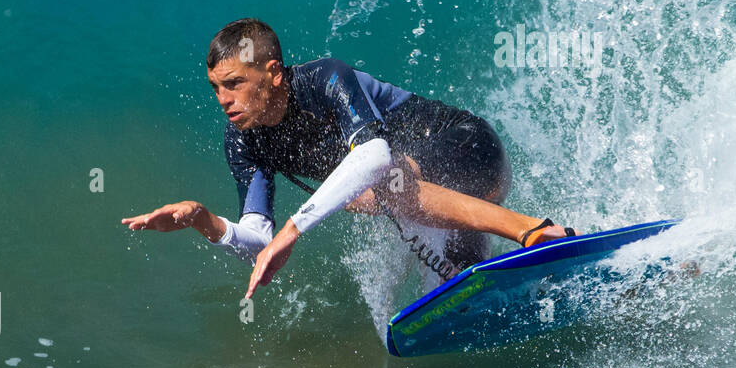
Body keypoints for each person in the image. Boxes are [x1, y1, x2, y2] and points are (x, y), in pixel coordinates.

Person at [122, 18, 574, 300]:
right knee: (463, 294)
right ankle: (562, 280)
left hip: (471, 152)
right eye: (216, 88)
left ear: (273, 74)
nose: (224, 99)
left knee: (382, 186)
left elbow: (374, 154)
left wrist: (294, 228)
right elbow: (260, 243)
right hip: (447, 210)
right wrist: (205, 221)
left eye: (235, 83)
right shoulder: (245, 139)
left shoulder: (325, 80)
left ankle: (533, 230)